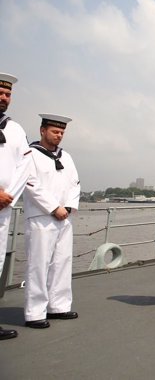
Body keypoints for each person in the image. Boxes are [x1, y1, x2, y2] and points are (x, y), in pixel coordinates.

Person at [22, 114, 80, 329]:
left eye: (62, 132)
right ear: (42, 130)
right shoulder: (30, 154)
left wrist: (68, 206)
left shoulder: (67, 157)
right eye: (55, 131)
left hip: (64, 217)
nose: (59, 136)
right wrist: (54, 207)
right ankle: (35, 312)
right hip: (41, 217)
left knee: (62, 262)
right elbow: (30, 184)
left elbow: (75, 183)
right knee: (38, 264)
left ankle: (59, 306)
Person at [0, 73, 31, 340]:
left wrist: (8, 195)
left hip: (3, 208)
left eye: (7, 94)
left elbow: (24, 167)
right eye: (0, 92)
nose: (3, 97)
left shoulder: (15, 130)